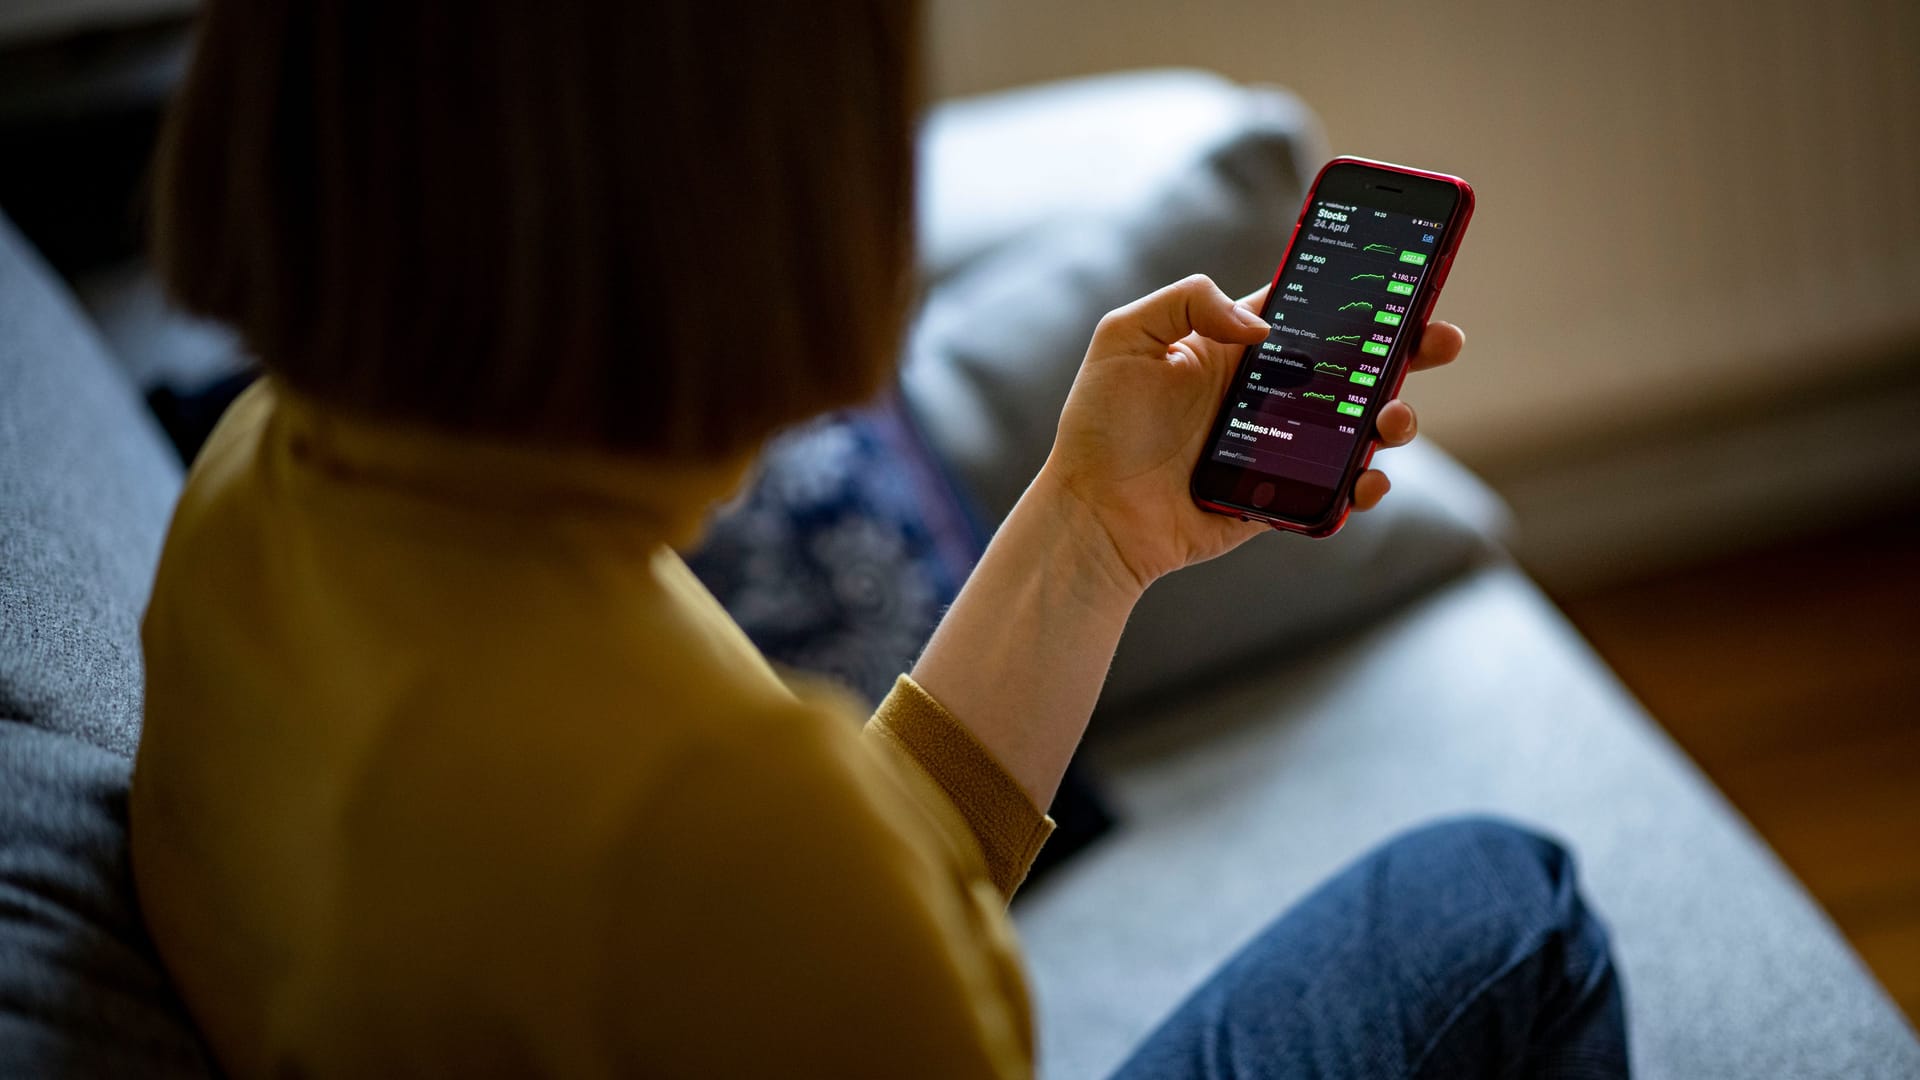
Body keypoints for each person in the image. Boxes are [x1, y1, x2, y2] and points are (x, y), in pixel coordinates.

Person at [129, 2, 1628, 1077]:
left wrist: (1093, 533)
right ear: (765, 192)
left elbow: (786, 918)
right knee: (1506, 907)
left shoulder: (269, 482)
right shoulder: (713, 810)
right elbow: (773, 876)